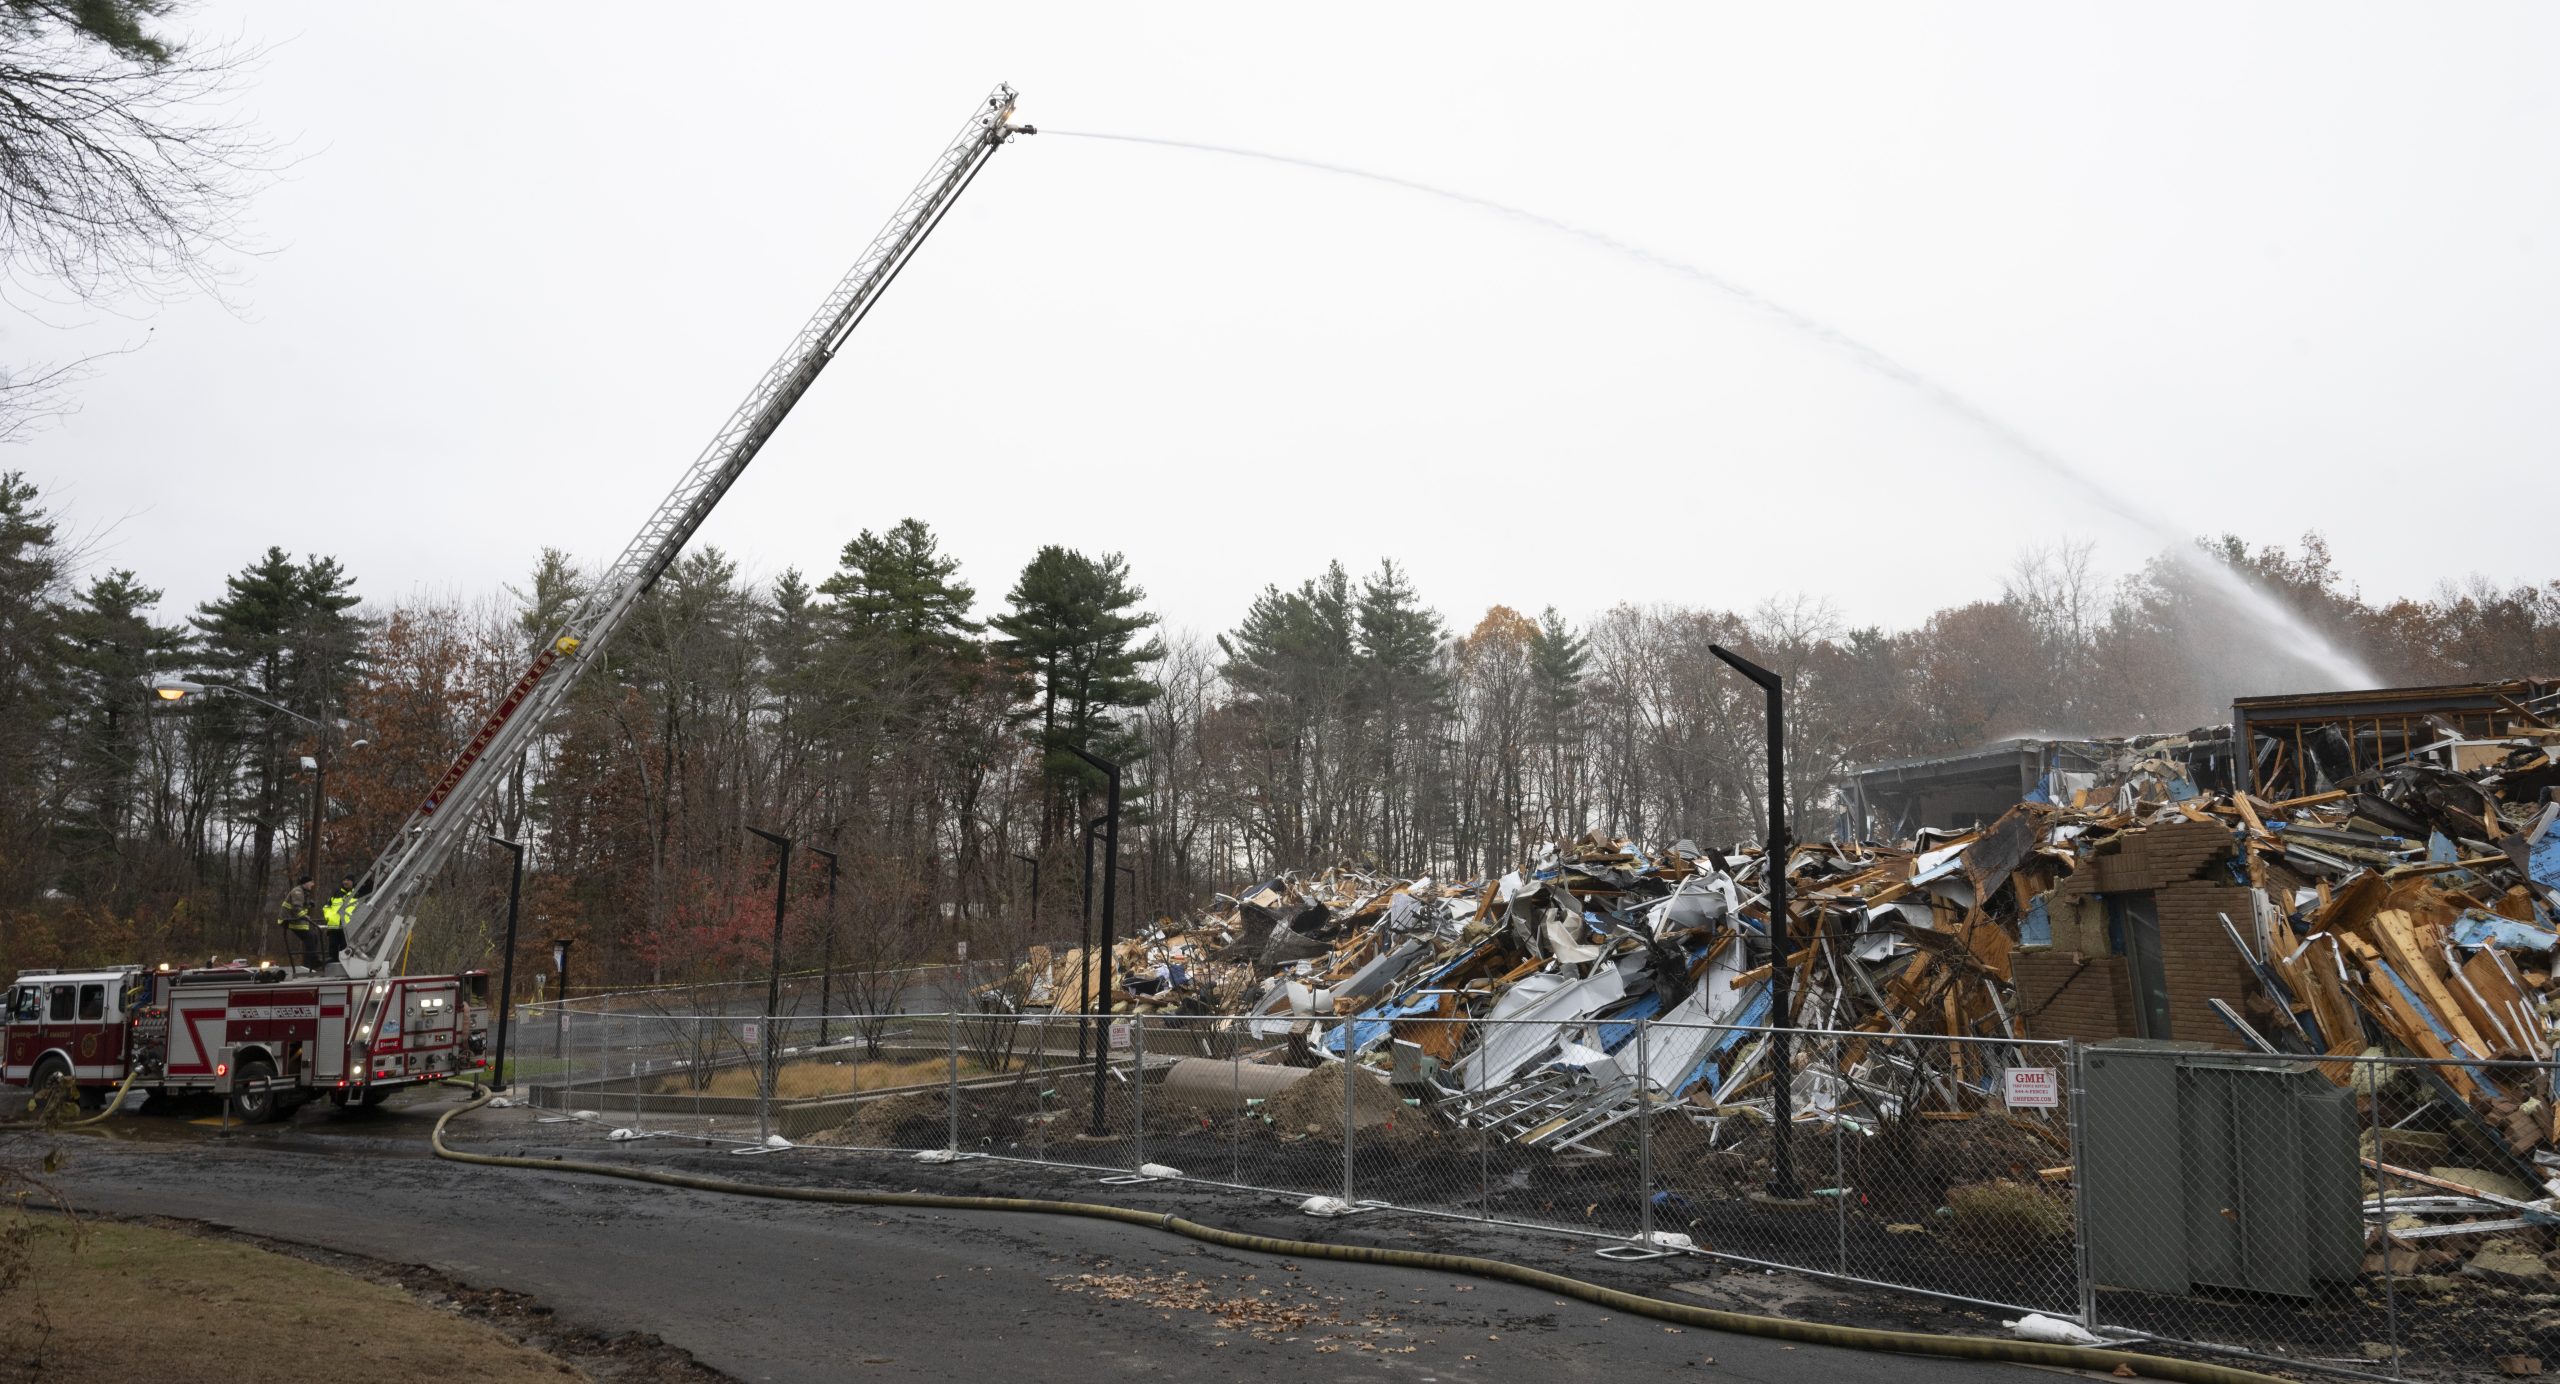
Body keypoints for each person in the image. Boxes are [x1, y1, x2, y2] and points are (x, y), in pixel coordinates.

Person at [278, 874, 320, 969]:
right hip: (290, 920)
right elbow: (296, 908)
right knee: (310, 938)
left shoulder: (303, 892)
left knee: (314, 937)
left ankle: (311, 962)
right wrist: (306, 917)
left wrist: (309, 904)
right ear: (305, 883)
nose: (313, 884)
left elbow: (301, 905)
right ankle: (311, 963)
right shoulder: (298, 891)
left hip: (297, 920)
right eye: (311, 882)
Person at [321, 874, 359, 964]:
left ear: (352, 882)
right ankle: (332, 963)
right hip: (334, 925)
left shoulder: (357, 894)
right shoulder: (336, 893)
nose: (345, 882)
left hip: (348, 927)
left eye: (348, 880)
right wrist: (330, 917)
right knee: (333, 946)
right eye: (344, 880)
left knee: (345, 947)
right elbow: (327, 907)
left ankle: (345, 964)